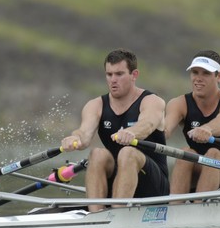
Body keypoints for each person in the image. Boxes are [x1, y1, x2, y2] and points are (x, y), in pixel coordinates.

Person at [61, 48, 169, 212]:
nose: (113, 80)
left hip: (154, 186)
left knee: (127, 152)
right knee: (97, 154)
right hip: (118, 181)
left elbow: (147, 124)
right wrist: (74, 138)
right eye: (109, 74)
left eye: (119, 74)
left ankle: (117, 215)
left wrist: (132, 132)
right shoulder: (95, 105)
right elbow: (84, 134)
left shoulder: (152, 101)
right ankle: (96, 215)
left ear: (134, 75)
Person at [164, 50, 220, 196]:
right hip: (202, 171)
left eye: (205, 73)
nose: (198, 78)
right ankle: (174, 207)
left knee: (213, 154)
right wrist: (139, 133)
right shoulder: (178, 103)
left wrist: (207, 129)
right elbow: (165, 130)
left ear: (219, 76)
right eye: (195, 72)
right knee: (185, 153)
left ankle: (199, 207)